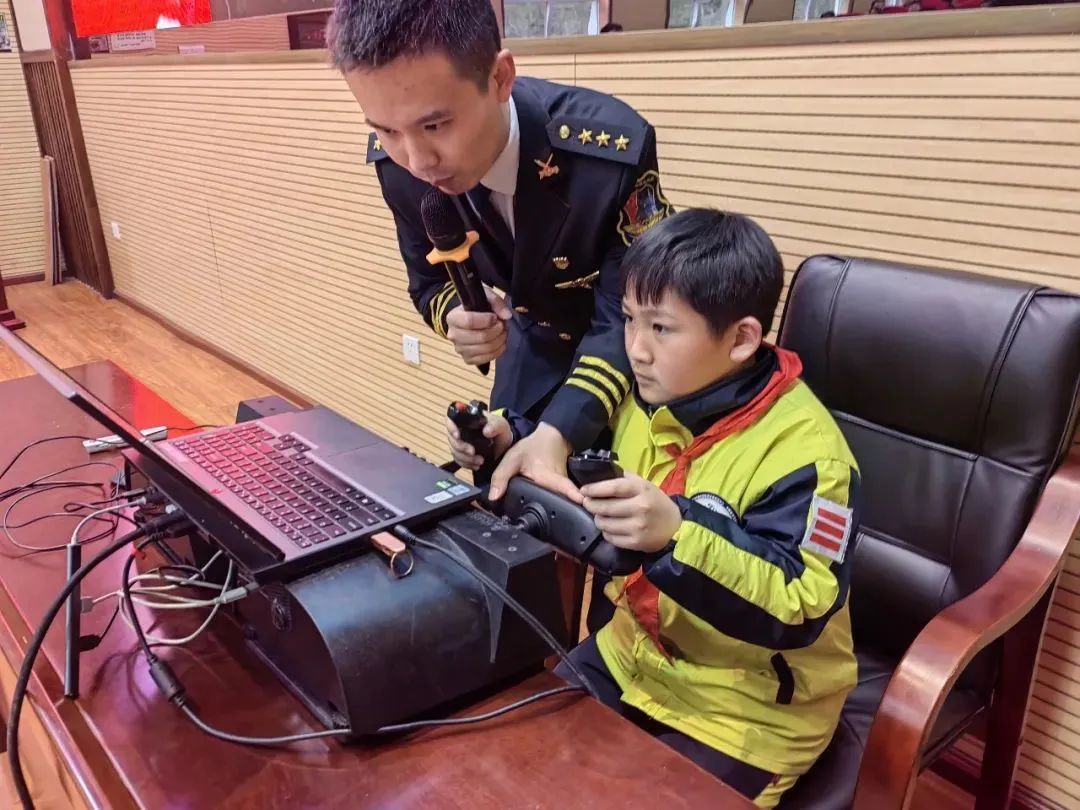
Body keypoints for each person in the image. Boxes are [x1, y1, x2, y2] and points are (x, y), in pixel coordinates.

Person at [447, 209, 861, 807]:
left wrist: (677, 533)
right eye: (629, 320)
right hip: (630, 655)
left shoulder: (811, 456)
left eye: (661, 328)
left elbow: (803, 605)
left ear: (741, 339)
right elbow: (570, 458)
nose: (635, 350)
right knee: (507, 768)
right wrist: (506, 439)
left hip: (745, 711)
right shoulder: (646, 395)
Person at [327, 0, 673, 501]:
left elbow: (631, 313)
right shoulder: (398, 168)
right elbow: (428, 281)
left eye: (435, 126)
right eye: (385, 130)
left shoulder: (607, 154)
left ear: (499, 77)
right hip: (527, 354)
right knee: (502, 507)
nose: (418, 160)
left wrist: (559, 432)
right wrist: (458, 318)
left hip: (627, 365)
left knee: (611, 521)